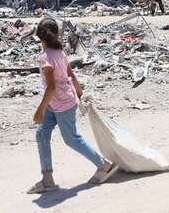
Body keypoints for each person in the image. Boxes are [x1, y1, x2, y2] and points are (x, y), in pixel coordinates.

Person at [28, 18, 118, 194]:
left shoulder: (46, 58)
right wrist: (80, 94)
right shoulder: (60, 53)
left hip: (62, 104)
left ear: (40, 37)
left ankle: (104, 165)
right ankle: (47, 179)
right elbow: (71, 74)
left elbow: (52, 87)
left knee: (71, 139)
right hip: (56, 103)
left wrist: (39, 110)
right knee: (41, 134)